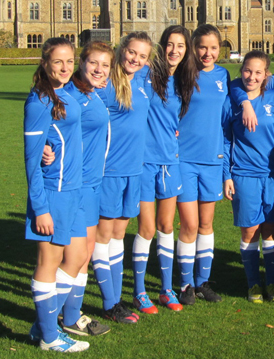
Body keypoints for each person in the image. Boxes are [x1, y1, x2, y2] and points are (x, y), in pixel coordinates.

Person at [24, 37, 89, 352]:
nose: (64, 67)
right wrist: (41, 209)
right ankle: (49, 338)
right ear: (45, 63)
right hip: (53, 192)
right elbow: (30, 160)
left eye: (69, 61)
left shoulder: (66, 92)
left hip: (74, 189)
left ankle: (43, 326)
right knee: (49, 262)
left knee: (76, 258)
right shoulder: (39, 101)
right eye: (57, 62)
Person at [131, 25, 198, 313]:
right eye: (170, 44)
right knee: (146, 228)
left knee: (167, 226)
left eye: (180, 46)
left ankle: (166, 289)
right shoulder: (147, 74)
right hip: (145, 161)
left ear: (187, 50)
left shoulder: (183, 80)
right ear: (162, 46)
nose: (174, 50)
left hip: (171, 162)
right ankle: (139, 291)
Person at [91, 32, 153, 323]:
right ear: (121, 50)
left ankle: (116, 300)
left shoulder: (141, 82)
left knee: (118, 236)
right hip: (110, 172)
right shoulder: (105, 84)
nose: (135, 59)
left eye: (142, 56)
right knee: (102, 238)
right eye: (131, 52)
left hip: (134, 172)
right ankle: (110, 303)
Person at [54, 41, 114, 336]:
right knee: (73, 257)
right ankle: (45, 320)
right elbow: (47, 125)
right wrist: (46, 152)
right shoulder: (68, 95)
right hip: (72, 185)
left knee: (85, 254)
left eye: (105, 65)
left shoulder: (94, 93)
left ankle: (71, 316)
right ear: (82, 63)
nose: (99, 69)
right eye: (94, 63)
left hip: (92, 184)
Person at [223, 50, 274, 303]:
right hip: (244, 174)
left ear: (266, 76)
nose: (251, 76)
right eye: (247, 71)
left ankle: (272, 282)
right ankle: (253, 284)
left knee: (271, 231)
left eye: (258, 72)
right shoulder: (232, 99)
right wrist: (226, 175)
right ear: (241, 72)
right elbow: (225, 139)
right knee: (250, 231)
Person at [175, 24, 229, 305]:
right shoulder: (183, 73)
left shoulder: (223, 75)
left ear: (220, 49)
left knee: (206, 224)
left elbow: (227, 118)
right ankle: (184, 285)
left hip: (212, 160)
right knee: (190, 224)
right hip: (184, 159)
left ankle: (202, 282)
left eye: (213, 48)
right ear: (194, 47)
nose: (207, 53)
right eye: (202, 47)